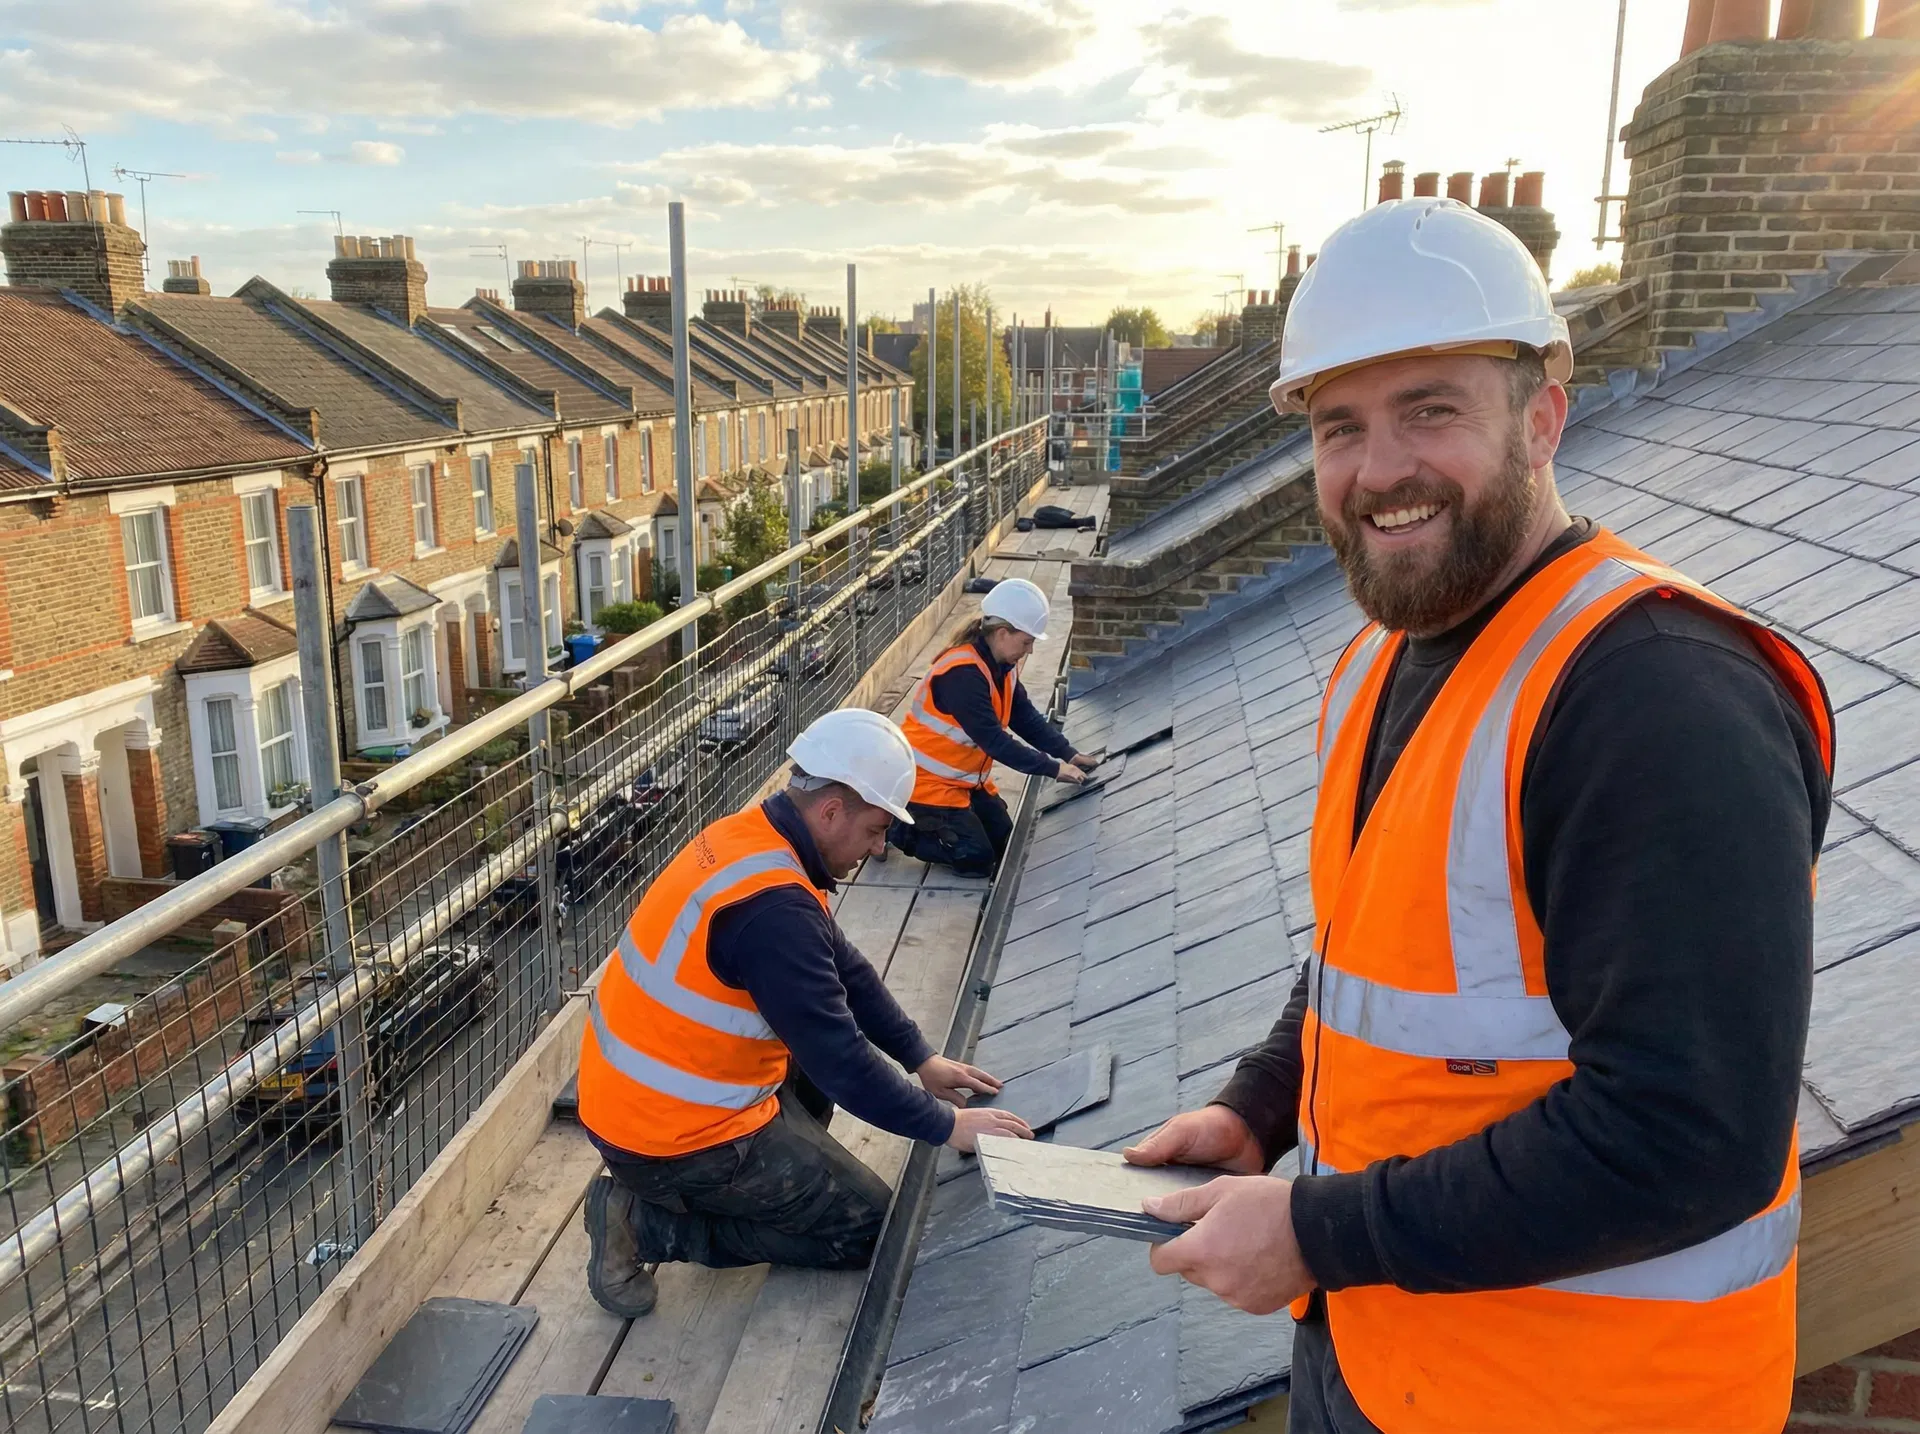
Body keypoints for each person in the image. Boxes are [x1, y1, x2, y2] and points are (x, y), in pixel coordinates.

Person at [1124, 196, 1833, 1434]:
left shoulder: (1655, 693)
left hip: (1578, 1402)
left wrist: (1315, 1229)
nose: (1380, 469)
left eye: (1431, 411)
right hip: (1391, 1357)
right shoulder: (1386, 662)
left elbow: (1687, 1134)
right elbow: (1372, 957)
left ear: (1545, 415)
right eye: (1341, 428)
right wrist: (1257, 1108)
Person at [577, 708, 1033, 1319]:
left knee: (815, 1075)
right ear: (831, 811)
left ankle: (770, 1175)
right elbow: (842, 1060)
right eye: (875, 831)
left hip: (644, 1098)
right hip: (672, 1140)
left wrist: (919, 1057)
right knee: (865, 1228)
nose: (879, 848)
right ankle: (645, 1224)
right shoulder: (773, 912)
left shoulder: (756, 838)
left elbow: (844, 970)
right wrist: (948, 1127)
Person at [890, 577, 1098, 875]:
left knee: (1004, 842)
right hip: (925, 783)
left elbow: (1025, 718)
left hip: (964, 781)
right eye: (1026, 642)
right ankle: (893, 827)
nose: (1030, 651)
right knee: (975, 858)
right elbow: (994, 740)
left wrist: (1069, 754)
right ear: (1003, 633)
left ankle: (943, 819)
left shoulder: (1001, 667)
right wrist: (1052, 769)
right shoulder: (962, 675)